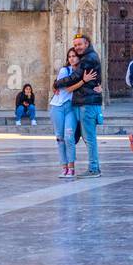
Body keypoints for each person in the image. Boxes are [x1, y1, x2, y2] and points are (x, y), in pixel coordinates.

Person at [62, 34, 103, 175]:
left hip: (88, 103)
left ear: (87, 44)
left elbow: (75, 77)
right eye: (75, 45)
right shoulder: (88, 57)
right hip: (84, 102)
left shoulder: (88, 58)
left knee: (89, 138)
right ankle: (93, 167)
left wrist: (56, 83)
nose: (77, 47)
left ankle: (93, 169)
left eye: (80, 44)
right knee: (84, 137)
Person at [50, 47, 81, 178]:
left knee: (69, 137)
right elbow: (65, 88)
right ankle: (64, 167)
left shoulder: (81, 72)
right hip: (58, 107)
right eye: (69, 56)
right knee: (60, 138)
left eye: (74, 56)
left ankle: (71, 168)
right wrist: (83, 81)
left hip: (71, 108)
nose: (72, 58)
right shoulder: (65, 70)